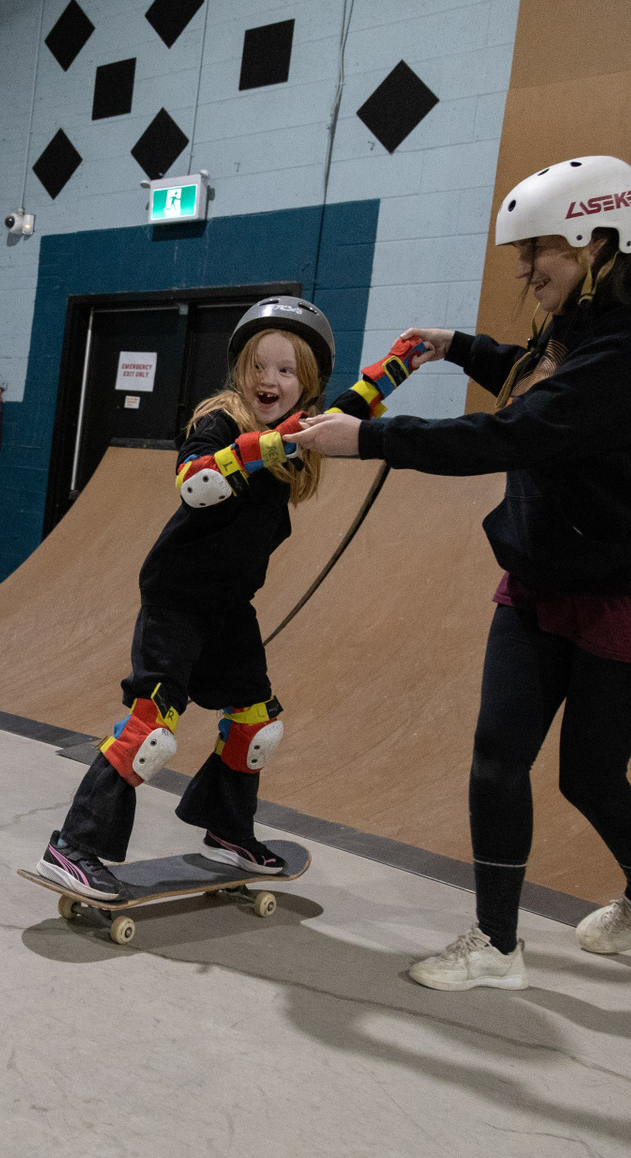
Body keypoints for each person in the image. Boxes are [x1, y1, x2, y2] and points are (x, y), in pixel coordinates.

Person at [287, 156, 631, 991]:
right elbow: (536, 381)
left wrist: (370, 437)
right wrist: (460, 348)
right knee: (498, 754)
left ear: (597, 239)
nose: (526, 269)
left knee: (589, 775)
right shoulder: (585, 317)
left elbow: (522, 432)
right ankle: (495, 944)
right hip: (546, 570)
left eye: (537, 250)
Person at [37, 298, 427, 899]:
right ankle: (72, 846)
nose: (270, 380)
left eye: (287, 370)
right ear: (241, 371)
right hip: (178, 598)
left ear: (307, 383)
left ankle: (227, 830)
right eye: (258, 367)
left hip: (230, 607)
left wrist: (400, 363)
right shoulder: (221, 420)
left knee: (255, 723)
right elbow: (195, 482)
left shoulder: (303, 430)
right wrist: (268, 445)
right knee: (152, 730)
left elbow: (354, 407)